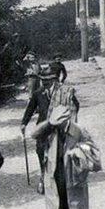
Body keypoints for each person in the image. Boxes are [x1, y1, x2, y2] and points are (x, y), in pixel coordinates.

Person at [31, 106, 94, 209]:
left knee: (68, 203)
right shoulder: (51, 129)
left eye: (59, 122)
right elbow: (33, 135)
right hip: (54, 173)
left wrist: (77, 151)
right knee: (55, 206)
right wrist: (48, 123)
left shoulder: (78, 130)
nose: (57, 126)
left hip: (71, 174)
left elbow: (91, 147)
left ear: (66, 120)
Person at [21, 64, 80, 194]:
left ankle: (61, 181)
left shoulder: (64, 92)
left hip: (59, 129)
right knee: (41, 153)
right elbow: (30, 108)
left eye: (47, 80)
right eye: (42, 80)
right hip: (43, 128)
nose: (45, 83)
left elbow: (75, 105)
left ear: (54, 79)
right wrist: (23, 123)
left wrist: (70, 121)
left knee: (58, 154)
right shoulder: (38, 93)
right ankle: (43, 178)